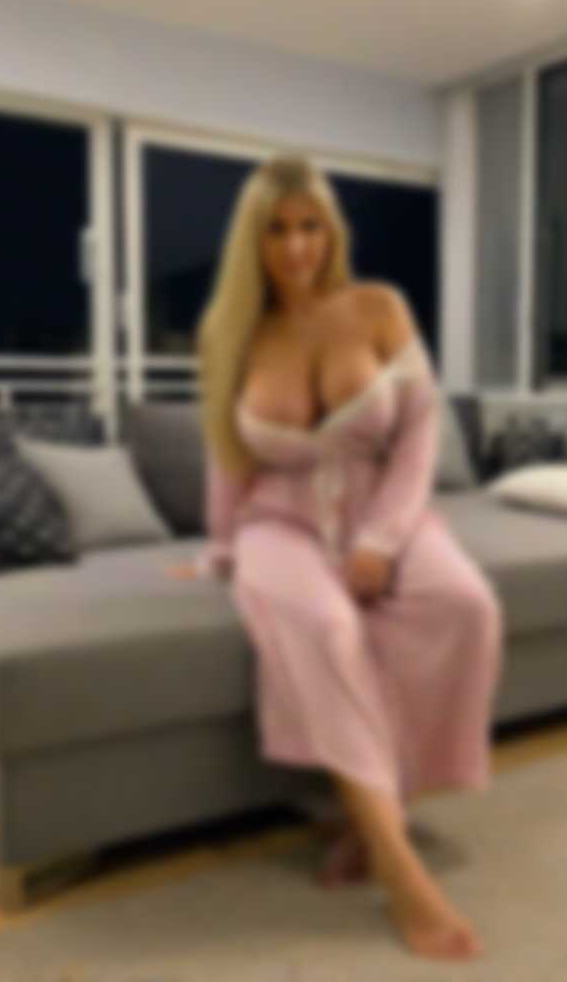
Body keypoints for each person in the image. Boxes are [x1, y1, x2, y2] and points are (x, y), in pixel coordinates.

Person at [166, 152, 505, 962]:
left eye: (310, 226)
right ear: (253, 240)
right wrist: (221, 551)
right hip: (278, 524)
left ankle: (370, 808)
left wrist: (383, 538)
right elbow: (227, 458)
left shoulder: (379, 306)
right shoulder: (230, 335)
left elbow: (420, 433)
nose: (296, 246)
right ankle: (397, 864)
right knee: (327, 629)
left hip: (383, 506)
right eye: (277, 230)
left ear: (332, 231)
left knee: (466, 607)